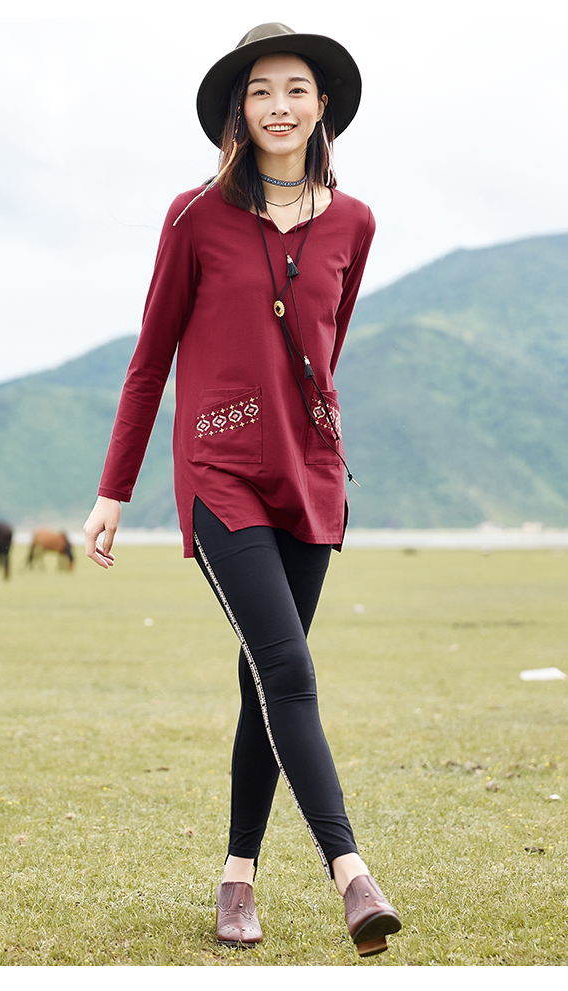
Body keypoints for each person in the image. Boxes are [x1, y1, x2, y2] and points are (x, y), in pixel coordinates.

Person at [83, 22, 401, 958]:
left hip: (311, 476)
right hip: (219, 473)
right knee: (289, 670)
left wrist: (319, 442)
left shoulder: (355, 222)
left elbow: (326, 344)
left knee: (265, 672)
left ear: (322, 105)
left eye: (296, 89)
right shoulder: (193, 216)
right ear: (238, 110)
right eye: (261, 90)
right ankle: (353, 875)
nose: (279, 106)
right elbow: (151, 360)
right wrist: (114, 490)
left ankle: (237, 877)